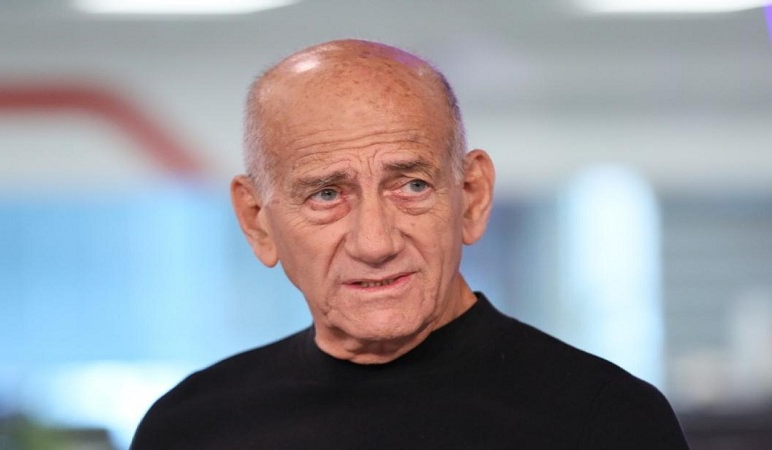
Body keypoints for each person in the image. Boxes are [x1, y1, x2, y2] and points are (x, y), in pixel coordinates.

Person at [130, 39, 688, 449]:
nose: (375, 243)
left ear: (471, 197)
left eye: (412, 185)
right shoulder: (188, 429)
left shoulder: (606, 421)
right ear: (257, 221)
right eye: (327, 194)